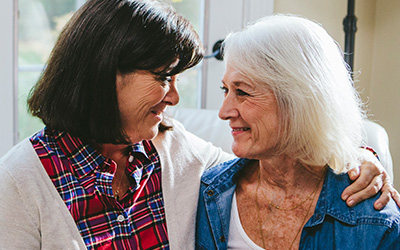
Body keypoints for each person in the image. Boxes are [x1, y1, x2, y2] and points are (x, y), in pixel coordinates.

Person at [0, 1, 396, 249]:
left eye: (177, 80)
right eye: (162, 77)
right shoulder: (20, 180)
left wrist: (358, 156)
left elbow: (279, 154)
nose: (173, 98)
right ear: (104, 75)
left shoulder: (176, 151)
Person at [195, 14, 400, 250]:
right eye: (225, 90)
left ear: (298, 101)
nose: (223, 111)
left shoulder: (375, 219)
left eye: (242, 92)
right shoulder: (210, 192)